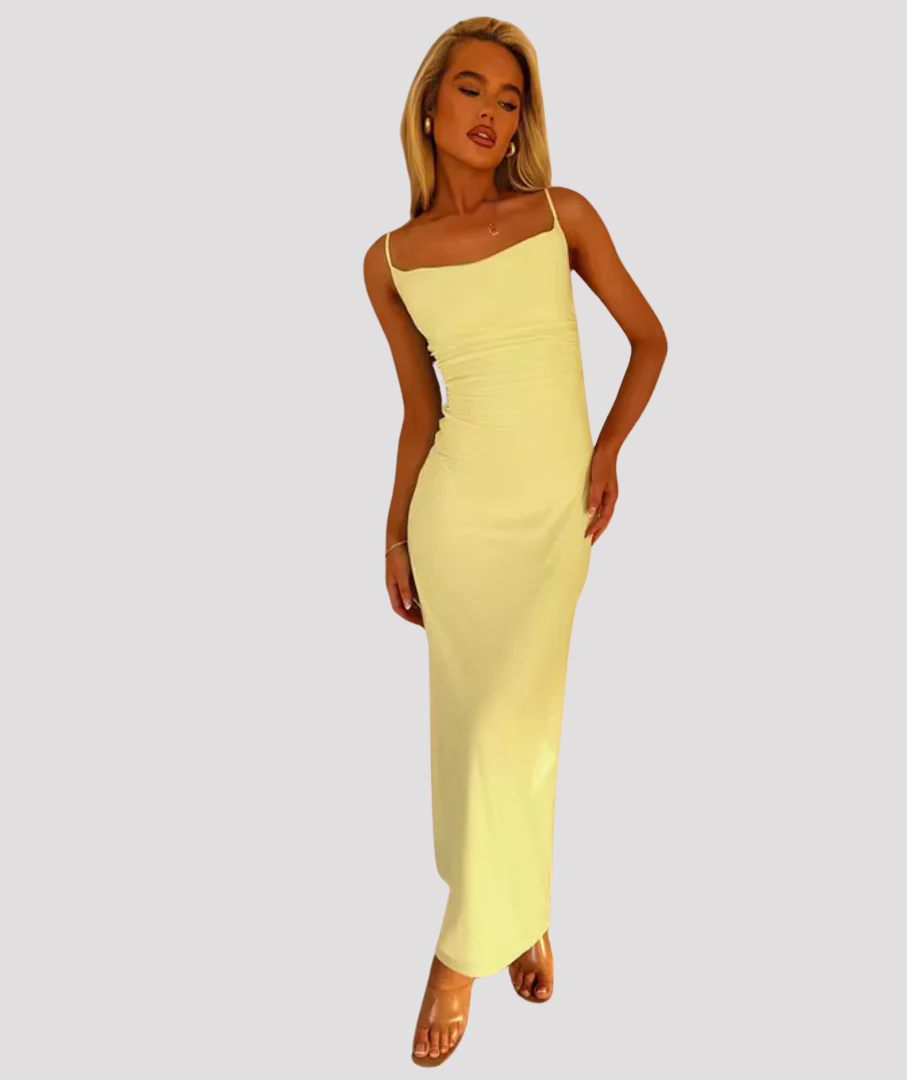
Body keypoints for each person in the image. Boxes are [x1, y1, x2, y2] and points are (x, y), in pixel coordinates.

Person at [363, 17, 667, 1066]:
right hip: (455, 519)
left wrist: (608, 450)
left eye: (510, 99)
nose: (493, 113)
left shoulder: (559, 214)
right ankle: (517, 908)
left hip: (550, 515)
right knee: (472, 729)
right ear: (429, 108)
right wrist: (395, 536)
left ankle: (459, 954)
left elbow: (650, 339)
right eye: (473, 91)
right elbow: (420, 412)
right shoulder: (389, 260)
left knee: (513, 726)